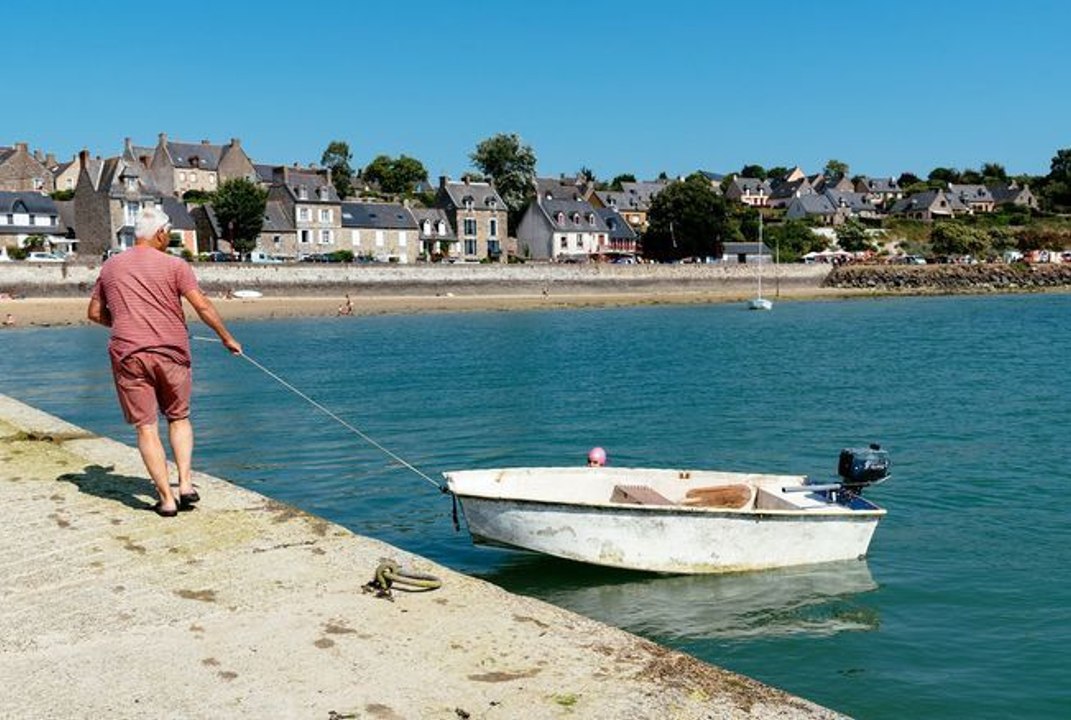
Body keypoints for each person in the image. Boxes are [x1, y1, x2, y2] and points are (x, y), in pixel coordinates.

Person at [87, 206, 242, 517]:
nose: (168, 239)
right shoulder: (175, 265)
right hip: (171, 352)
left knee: (146, 428)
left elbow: (94, 313)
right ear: (159, 234)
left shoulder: (111, 267)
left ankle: (166, 500)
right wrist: (227, 338)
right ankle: (185, 483)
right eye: (168, 235)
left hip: (128, 352)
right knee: (178, 417)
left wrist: (127, 325)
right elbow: (203, 306)